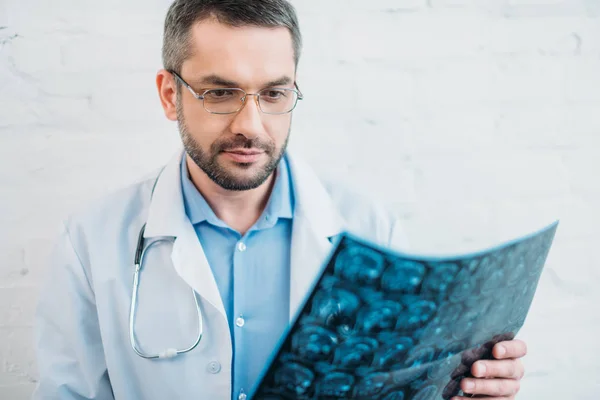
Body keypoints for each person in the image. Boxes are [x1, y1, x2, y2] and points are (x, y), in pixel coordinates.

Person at [32, 1, 528, 399]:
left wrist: (463, 392)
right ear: (169, 95)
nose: (251, 124)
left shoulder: (371, 228)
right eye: (220, 92)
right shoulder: (91, 241)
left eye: (273, 94)